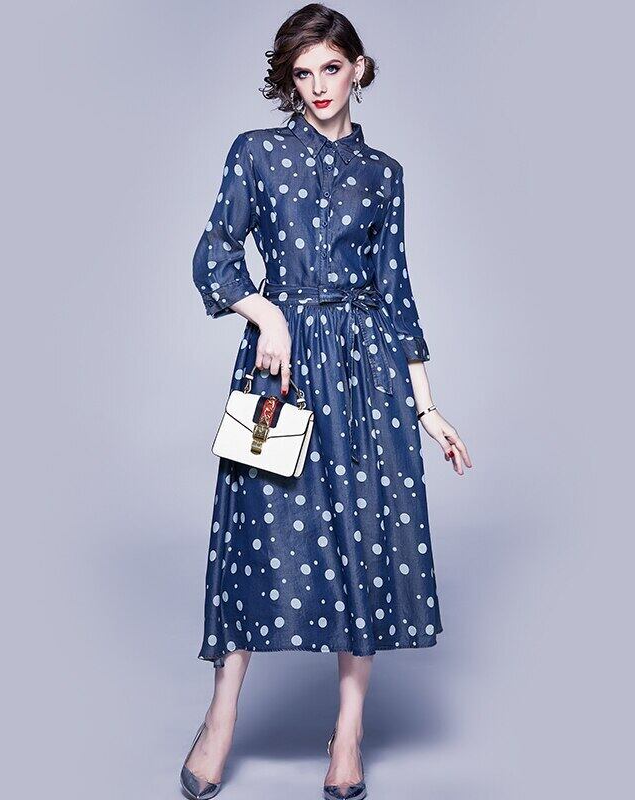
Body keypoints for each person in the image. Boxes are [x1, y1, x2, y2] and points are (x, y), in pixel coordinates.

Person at [181, 4, 472, 798]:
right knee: (252, 534)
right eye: (302, 73)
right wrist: (265, 312)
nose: (317, 86)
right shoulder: (257, 153)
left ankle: (349, 731)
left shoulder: (386, 175)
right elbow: (214, 253)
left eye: (331, 69)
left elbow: (396, 293)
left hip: (368, 375)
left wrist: (427, 407)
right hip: (278, 370)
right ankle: (221, 718)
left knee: (364, 539)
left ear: (359, 68)